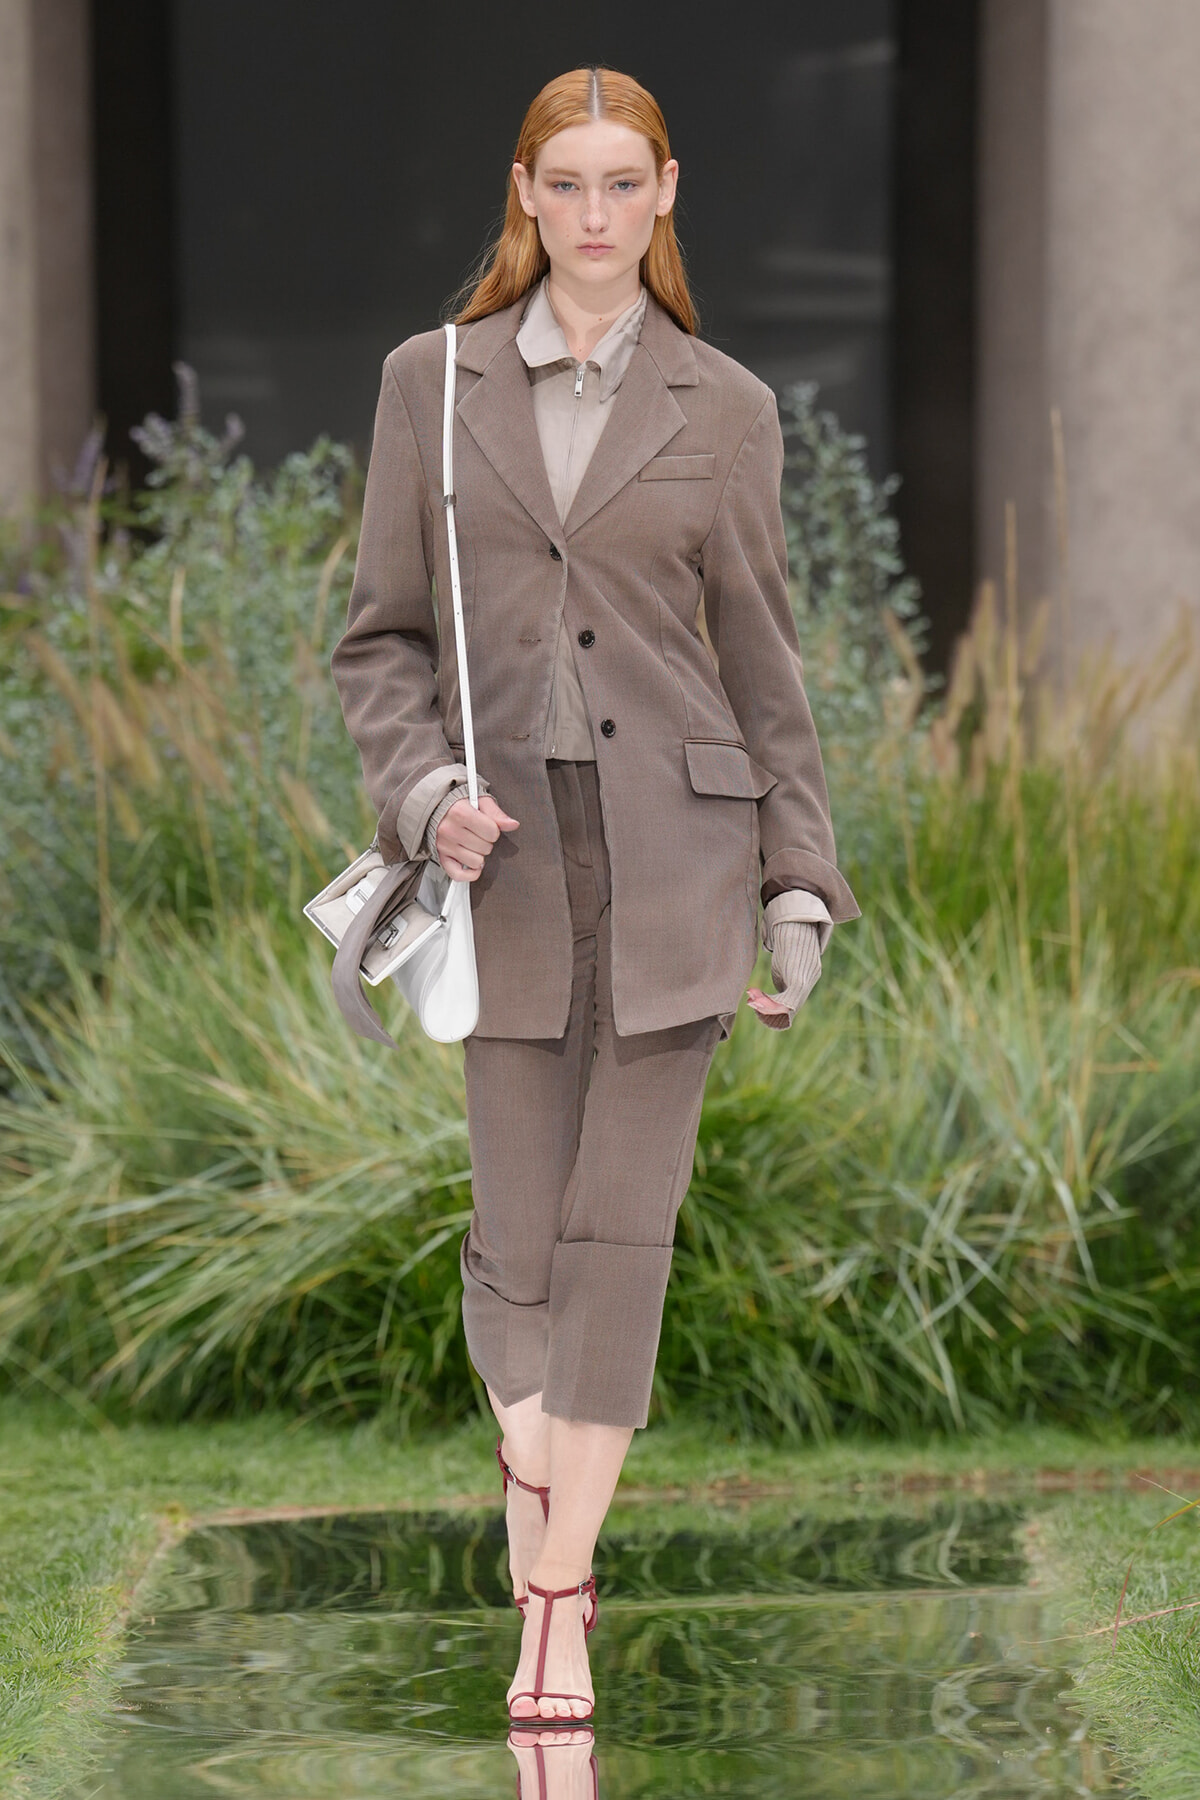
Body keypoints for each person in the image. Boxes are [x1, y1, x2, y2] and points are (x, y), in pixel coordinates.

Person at [331, 65, 858, 1727]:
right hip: (501, 869)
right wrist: (423, 795)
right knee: (518, 1256)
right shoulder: (432, 383)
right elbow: (381, 641)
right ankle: (542, 1476)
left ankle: (552, 1601)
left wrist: (799, 881)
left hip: (683, 858)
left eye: (625, 182)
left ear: (669, 190)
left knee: (621, 1237)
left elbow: (767, 671)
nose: (596, 213)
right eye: (568, 184)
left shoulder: (728, 406)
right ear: (525, 193)